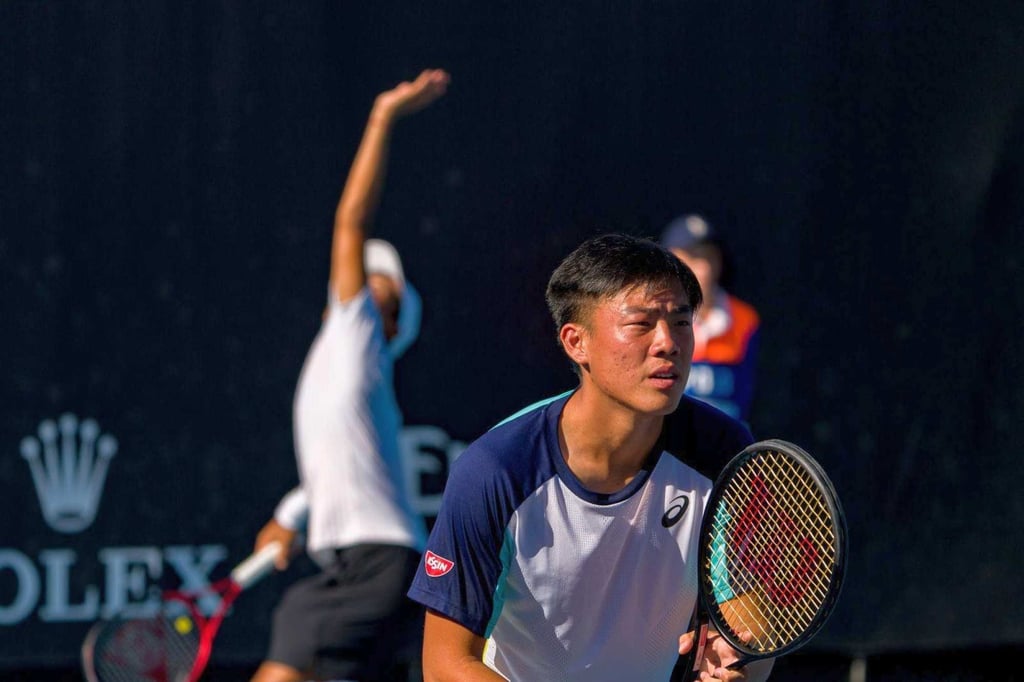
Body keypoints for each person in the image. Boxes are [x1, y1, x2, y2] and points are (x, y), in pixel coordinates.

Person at [407, 234, 773, 681]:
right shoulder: (495, 470)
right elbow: (445, 663)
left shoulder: (726, 451)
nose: (668, 343)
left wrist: (737, 657)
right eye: (641, 324)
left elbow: (750, 608)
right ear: (575, 342)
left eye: (681, 322)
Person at [250, 68, 450, 682]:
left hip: (378, 566)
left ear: (386, 319)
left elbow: (349, 223)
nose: (364, 286)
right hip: (367, 567)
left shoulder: (358, 331)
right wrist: (289, 514)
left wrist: (382, 116)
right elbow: (340, 465)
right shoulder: (351, 375)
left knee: (288, 646)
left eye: (379, 290)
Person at [661, 214, 761, 423]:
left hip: (728, 447)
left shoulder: (746, 319)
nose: (704, 268)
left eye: (709, 257)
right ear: (669, 259)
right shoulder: (654, 317)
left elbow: (750, 398)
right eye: (693, 257)